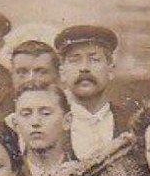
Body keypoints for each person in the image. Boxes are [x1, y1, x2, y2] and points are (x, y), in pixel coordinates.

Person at [54, 24, 139, 162]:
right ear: (62, 72)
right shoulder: (51, 124)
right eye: (75, 60)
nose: (84, 68)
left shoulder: (132, 123)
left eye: (94, 59)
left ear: (110, 70)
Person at [10, 84, 75, 176]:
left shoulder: (82, 175)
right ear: (15, 124)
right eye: (26, 114)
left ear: (67, 121)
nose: (35, 122)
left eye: (45, 113)